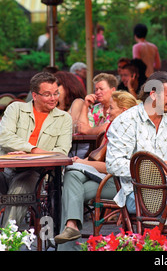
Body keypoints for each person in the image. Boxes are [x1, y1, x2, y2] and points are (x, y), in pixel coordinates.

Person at [0, 72, 72, 227]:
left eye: (56, 93)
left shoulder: (64, 118)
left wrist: (30, 152)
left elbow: (62, 152)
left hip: (36, 172)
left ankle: (7, 240)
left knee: (21, 188)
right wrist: (34, 150)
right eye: (47, 94)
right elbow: (6, 138)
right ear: (34, 95)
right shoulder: (16, 109)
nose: (54, 98)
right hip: (4, 169)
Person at [106, 71, 167, 216]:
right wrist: (157, 168)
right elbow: (114, 164)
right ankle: (165, 239)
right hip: (137, 191)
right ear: (153, 94)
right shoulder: (126, 121)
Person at [55, 90, 138, 250]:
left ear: (124, 111)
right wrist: (82, 163)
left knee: (71, 179)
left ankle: (67, 245)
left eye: (112, 108)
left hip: (123, 184)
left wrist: (82, 164)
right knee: (72, 185)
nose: (107, 111)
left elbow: (111, 167)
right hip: (108, 180)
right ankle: (70, 230)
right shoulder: (117, 127)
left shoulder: (130, 131)